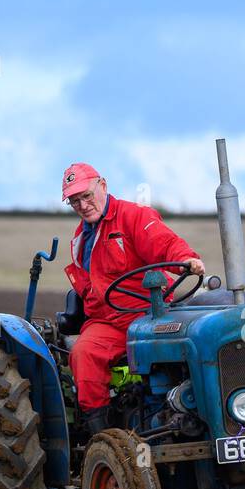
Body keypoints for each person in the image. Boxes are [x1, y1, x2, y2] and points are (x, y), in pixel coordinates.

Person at [60, 162, 204, 437]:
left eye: (87, 196)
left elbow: (163, 242)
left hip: (150, 314)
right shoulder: (80, 238)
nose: (83, 204)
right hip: (109, 320)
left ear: (102, 185)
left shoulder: (133, 216)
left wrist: (185, 259)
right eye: (75, 201)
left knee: (194, 346)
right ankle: (103, 438)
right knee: (83, 354)